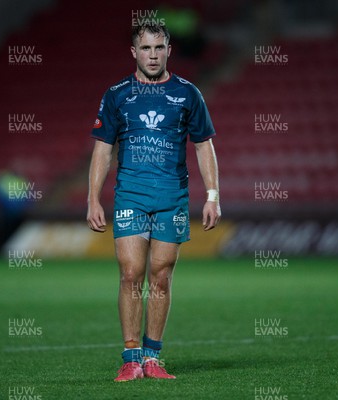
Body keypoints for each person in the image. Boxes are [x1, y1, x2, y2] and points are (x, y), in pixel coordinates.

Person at [86, 22, 221, 382]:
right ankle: (130, 357)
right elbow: (102, 148)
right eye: (145, 49)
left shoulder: (188, 93)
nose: (152, 55)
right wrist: (92, 199)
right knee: (131, 273)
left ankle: (152, 357)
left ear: (169, 50)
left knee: (161, 277)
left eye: (159, 48)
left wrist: (212, 196)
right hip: (130, 193)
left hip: (171, 197)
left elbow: (204, 145)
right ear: (134, 52)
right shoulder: (116, 94)